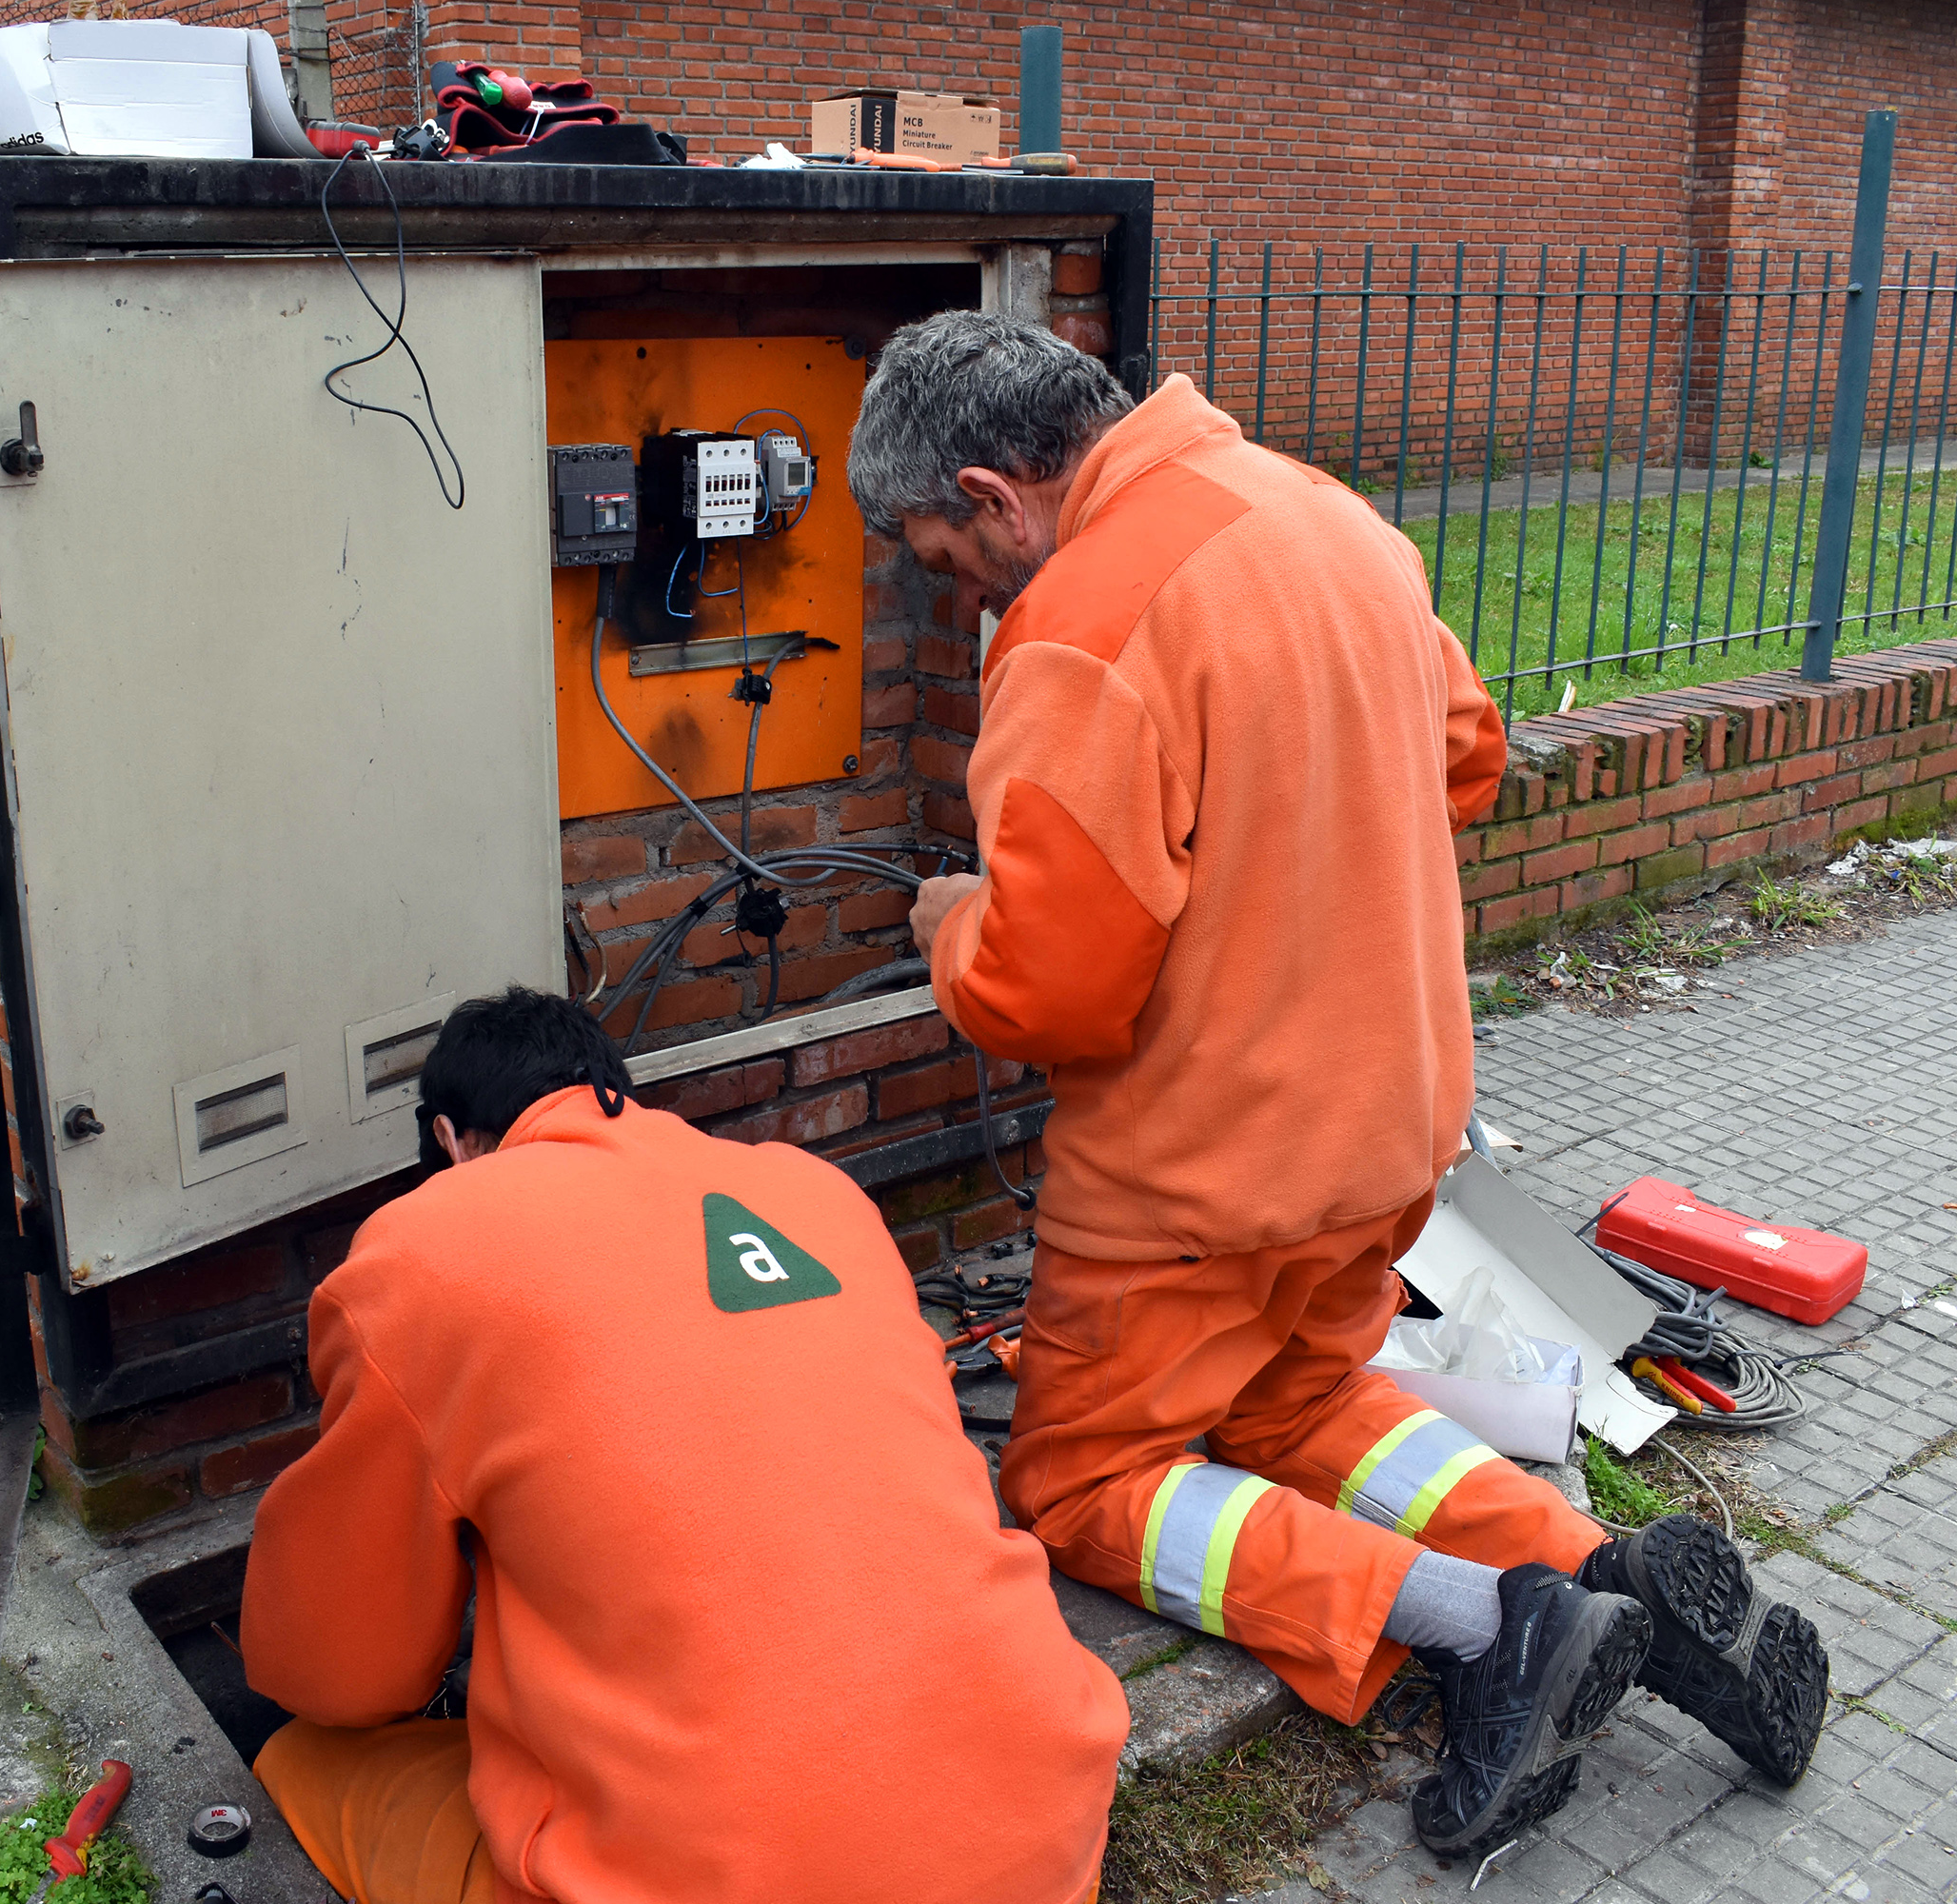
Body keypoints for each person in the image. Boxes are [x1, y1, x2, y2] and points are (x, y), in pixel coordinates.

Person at [846, 311, 1829, 1852]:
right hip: (1389, 1133)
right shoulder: (1329, 521)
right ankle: (1592, 1573)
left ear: (996, 494)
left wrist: (950, 921)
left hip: (1197, 1179)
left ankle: (1485, 1628)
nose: (962, 594)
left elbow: (1051, 993)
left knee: (1085, 1482)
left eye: (944, 557)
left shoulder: (1081, 625)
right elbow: (1464, 753)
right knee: (1302, 1403)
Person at [239, 986, 1127, 1904]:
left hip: (707, 1879)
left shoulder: (421, 1251)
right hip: (1038, 1837)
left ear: (448, 1140)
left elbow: (338, 1674)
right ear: (610, 1087)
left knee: (304, 1758)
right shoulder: (814, 1191)